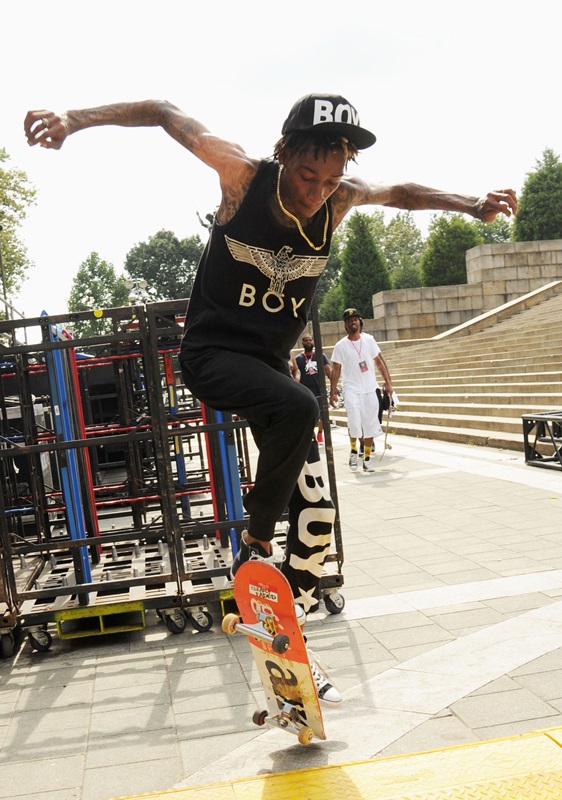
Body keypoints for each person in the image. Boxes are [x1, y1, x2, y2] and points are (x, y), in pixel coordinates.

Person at [24, 93, 517, 705]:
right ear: (282, 154)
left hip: (266, 374)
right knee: (302, 408)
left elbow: (405, 193)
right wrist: (74, 119)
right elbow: (161, 112)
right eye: (307, 176)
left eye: (330, 179)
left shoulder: (340, 199)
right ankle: (253, 545)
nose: (316, 191)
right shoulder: (242, 176)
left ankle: (288, 636)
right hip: (211, 358)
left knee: (316, 517)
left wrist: (470, 203)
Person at [330, 309, 393, 472]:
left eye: (355, 319)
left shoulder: (369, 340)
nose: (353, 322)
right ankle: (352, 451)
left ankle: (366, 460)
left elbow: (379, 362)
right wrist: (332, 390)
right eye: (349, 320)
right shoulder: (340, 345)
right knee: (354, 422)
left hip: (370, 388)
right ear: (345, 325)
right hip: (351, 389)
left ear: (360, 322)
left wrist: (389, 383)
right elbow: (336, 368)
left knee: (371, 425)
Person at [295, 333, 331, 442]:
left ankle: (320, 432)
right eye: (306, 340)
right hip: (306, 391)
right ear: (302, 343)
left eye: (310, 340)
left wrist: (333, 386)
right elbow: (296, 373)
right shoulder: (298, 359)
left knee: (322, 415)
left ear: (313, 342)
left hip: (319, 390)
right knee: (309, 415)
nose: (308, 342)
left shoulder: (320, 356)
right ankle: (312, 435)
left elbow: (328, 370)